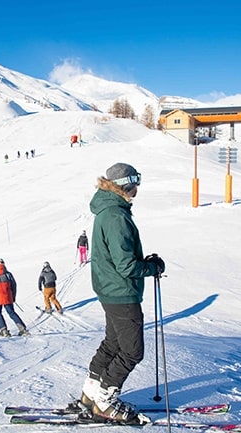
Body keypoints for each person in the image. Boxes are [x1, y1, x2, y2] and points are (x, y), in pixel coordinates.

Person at [78, 162, 165, 424]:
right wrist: (152, 267)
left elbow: (121, 256)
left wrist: (143, 261)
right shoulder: (116, 216)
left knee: (113, 343)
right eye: (135, 180)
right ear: (125, 184)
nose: (138, 186)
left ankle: (91, 392)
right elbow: (126, 265)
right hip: (121, 292)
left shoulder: (108, 210)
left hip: (110, 289)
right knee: (132, 351)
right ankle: (104, 402)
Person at [0, 258, 30, 337]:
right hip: (8, 298)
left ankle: (4, 330)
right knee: (11, 313)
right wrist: (13, 297)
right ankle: (22, 329)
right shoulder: (8, 275)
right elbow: (14, 286)